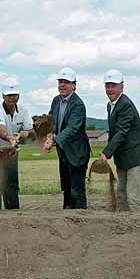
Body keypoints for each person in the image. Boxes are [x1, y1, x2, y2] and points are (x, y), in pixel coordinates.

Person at [99, 69, 140, 212]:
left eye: (113, 85)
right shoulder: (110, 105)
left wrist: (106, 153)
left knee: (132, 196)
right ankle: (124, 226)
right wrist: (110, 151)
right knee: (121, 194)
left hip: (136, 156)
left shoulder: (125, 104)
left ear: (121, 87)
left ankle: (138, 229)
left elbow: (121, 132)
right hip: (123, 157)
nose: (110, 89)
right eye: (107, 85)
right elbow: (114, 132)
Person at [43, 67, 90, 209]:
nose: (62, 85)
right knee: (67, 188)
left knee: (77, 190)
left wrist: (53, 141)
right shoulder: (56, 101)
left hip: (77, 153)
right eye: (60, 82)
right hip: (63, 152)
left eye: (66, 82)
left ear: (74, 85)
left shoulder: (78, 105)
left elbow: (71, 129)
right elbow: (51, 121)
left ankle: (81, 218)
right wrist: (48, 133)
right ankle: (67, 220)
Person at [0, 78, 33, 209]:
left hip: (10, 148)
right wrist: (9, 137)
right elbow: (0, 129)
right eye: (9, 95)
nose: (12, 97)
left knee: (11, 181)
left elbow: (29, 128)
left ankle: (13, 211)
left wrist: (26, 133)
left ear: (19, 96)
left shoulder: (23, 110)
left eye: (14, 95)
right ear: (3, 96)